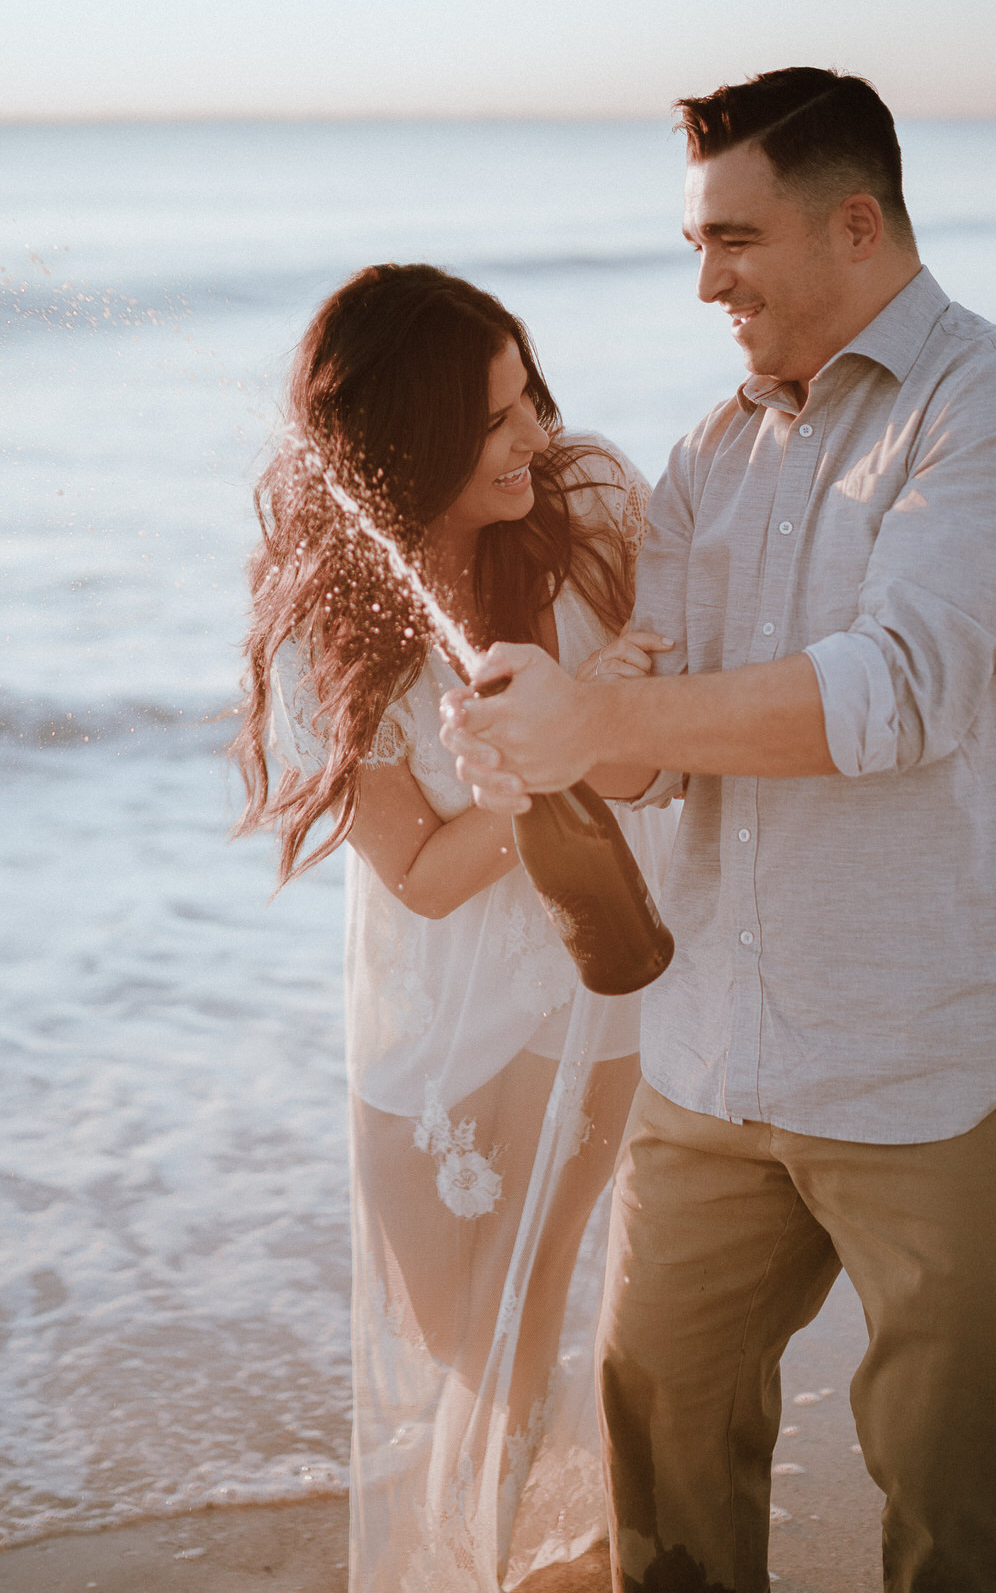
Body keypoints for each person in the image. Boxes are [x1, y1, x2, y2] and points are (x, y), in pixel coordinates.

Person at [439, 68, 996, 1593]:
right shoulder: (713, 451)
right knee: (655, 1450)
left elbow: (896, 693)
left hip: (943, 1065)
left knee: (948, 1498)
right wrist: (556, 735)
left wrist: (615, 725)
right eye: (694, 242)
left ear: (856, 225)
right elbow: (665, 745)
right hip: (716, 1057)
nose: (704, 279)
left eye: (735, 238)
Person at [231, 263, 677, 1592]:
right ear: (409, 439)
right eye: (495, 419)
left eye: (528, 393)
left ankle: (504, 1567)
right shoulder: (336, 612)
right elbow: (420, 872)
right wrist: (545, 755)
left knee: (522, 1319)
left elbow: (672, 710)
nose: (535, 433)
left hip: (578, 982)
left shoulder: (587, 506)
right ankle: (540, 1551)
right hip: (427, 1004)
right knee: (443, 1328)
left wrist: (593, 719)